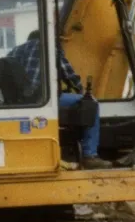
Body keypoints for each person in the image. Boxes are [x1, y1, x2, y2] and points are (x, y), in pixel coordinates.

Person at [7, 30, 111, 169]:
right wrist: (82, 90)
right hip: (41, 100)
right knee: (91, 103)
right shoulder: (49, 48)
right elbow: (70, 75)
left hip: (18, 102)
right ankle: (89, 155)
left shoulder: (15, 51)